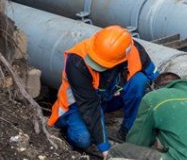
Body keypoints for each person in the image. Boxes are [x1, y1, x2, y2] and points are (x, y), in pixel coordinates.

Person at [48, 25, 155, 153]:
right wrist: (105, 148)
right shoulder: (77, 61)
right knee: (83, 139)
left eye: (101, 64)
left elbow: (155, 79)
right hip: (78, 104)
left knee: (140, 82)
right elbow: (90, 106)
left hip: (109, 98)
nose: (95, 65)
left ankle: (127, 130)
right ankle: (68, 131)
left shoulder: (133, 50)